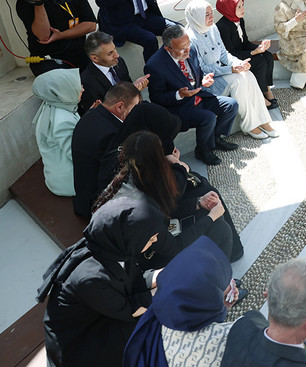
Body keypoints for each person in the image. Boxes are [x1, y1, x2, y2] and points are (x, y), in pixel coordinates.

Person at [96, 102, 243, 261]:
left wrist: (198, 203)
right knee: (220, 228)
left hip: (143, 237)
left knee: (205, 196)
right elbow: (174, 246)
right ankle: (223, 281)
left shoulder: (129, 167)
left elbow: (162, 205)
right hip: (143, 259)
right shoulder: (142, 208)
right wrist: (210, 217)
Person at [40, 196, 162, 367]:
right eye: (150, 237)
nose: (155, 240)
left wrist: (162, 276)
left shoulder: (114, 246)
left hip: (101, 313)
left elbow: (133, 281)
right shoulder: (91, 278)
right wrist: (163, 290)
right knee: (147, 329)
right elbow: (129, 310)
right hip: (79, 344)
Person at [124, 236, 239, 367]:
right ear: (206, 297)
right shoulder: (225, 339)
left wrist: (222, 306)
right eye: (222, 283)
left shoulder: (159, 317)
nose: (231, 284)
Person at [145, 24, 238, 166]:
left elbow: (197, 73)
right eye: (182, 49)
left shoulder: (191, 49)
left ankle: (216, 138)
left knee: (231, 105)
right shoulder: (155, 65)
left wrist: (204, 80)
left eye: (188, 45)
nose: (187, 51)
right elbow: (156, 98)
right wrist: (178, 94)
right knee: (208, 117)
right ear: (167, 48)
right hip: (179, 107)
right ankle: (202, 150)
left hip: (199, 97)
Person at [184, 0, 276, 140]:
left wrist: (239, 63)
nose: (211, 17)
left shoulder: (213, 28)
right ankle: (250, 125)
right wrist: (231, 69)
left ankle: (263, 120)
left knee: (248, 74)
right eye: (206, 15)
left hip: (223, 72)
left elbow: (224, 53)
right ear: (196, 17)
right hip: (209, 82)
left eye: (211, 13)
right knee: (238, 81)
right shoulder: (190, 39)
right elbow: (201, 69)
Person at [72, 82, 141, 219]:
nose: (137, 112)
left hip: (82, 192)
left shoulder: (91, 114)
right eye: (135, 107)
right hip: (97, 203)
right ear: (120, 106)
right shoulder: (113, 134)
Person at [216, 0, 277, 109]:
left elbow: (245, 43)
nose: (243, 9)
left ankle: (267, 89)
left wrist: (259, 47)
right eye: (238, 7)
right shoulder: (222, 27)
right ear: (229, 8)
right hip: (231, 59)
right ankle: (259, 96)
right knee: (259, 61)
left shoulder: (239, 20)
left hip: (241, 52)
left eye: (242, 5)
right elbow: (231, 53)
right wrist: (254, 53)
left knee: (268, 56)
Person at [32, 69, 81, 197]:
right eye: (76, 85)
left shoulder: (52, 105)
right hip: (70, 182)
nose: (82, 89)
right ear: (63, 91)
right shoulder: (62, 121)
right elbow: (76, 154)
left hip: (56, 177)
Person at [79, 31, 149, 115]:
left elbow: (127, 83)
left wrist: (135, 87)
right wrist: (132, 92)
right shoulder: (87, 81)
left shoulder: (119, 62)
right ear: (95, 58)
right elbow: (101, 113)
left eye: (114, 49)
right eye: (110, 53)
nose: (117, 55)